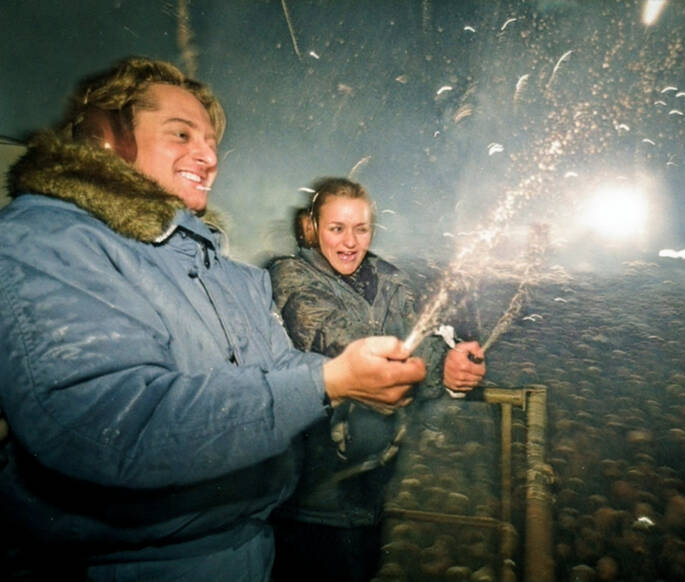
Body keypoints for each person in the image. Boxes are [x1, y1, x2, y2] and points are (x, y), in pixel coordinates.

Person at [0, 57, 425, 582]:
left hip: (252, 549)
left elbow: (279, 368)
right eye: (181, 134)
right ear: (104, 138)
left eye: (211, 142)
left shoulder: (228, 274)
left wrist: (362, 377)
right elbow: (110, 426)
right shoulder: (50, 241)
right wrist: (330, 381)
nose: (208, 156)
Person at [267, 177, 486, 582]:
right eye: (337, 228)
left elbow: (427, 335)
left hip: (371, 498)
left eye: (361, 229)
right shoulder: (290, 277)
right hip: (310, 503)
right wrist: (440, 367)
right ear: (313, 228)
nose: (350, 242)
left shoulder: (390, 279)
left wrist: (461, 365)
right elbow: (342, 339)